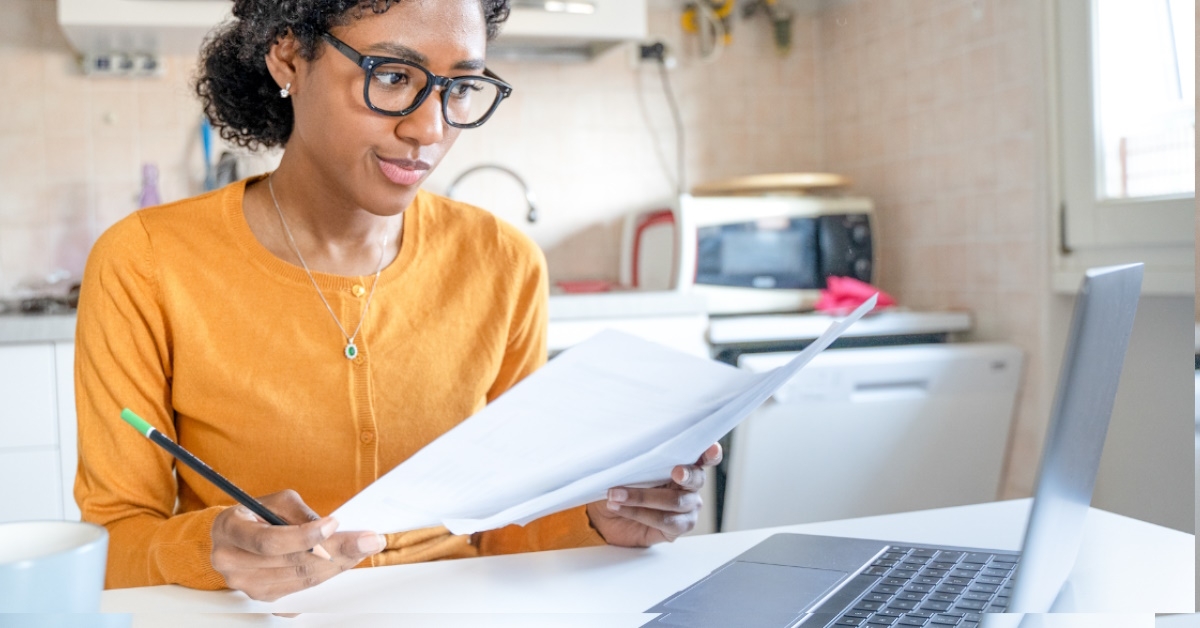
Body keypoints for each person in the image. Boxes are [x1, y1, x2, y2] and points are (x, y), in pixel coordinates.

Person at [74, 0, 720, 602]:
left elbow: (504, 527)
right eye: (391, 77)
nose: (428, 129)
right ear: (289, 57)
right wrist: (211, 548)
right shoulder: (146, 261)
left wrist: (601, 522)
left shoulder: (503, 263)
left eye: (460, 87)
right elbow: (111, 542)